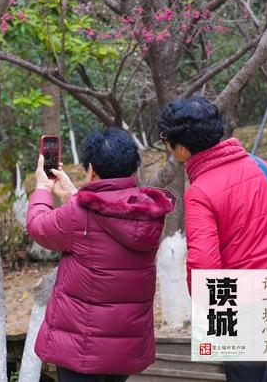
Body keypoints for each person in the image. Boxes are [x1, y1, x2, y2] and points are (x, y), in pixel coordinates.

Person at [158, 97, 267, 382]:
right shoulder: (262, 166)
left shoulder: (200, 191)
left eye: (166, 139)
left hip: (237, 308)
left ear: (182, 149)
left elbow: (204, 268)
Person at [27, 127, 176, 382]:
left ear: (91, 169)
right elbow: (106, 214)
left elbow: (39, 227)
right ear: (133, 168)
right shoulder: (146, 209)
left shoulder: (80, 212)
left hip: (81, 348)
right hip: (126, 346)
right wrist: (76, 195)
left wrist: (42, 188)